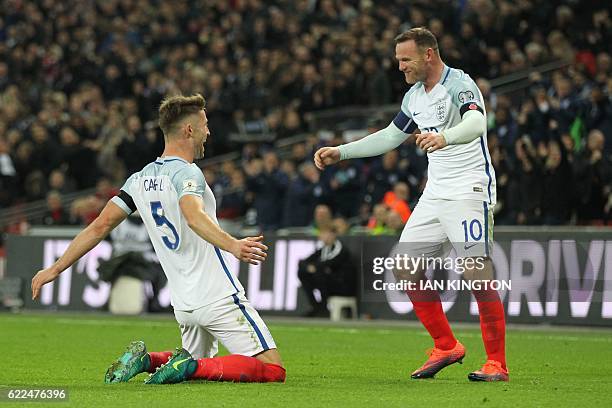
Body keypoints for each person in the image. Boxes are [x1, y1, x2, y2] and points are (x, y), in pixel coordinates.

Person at [31, 94, 285, 385]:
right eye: (204, 124)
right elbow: (193, 215)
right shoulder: (188, 173)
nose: (209, 132)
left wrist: (54, 269)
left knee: (201, 364)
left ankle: (148, 360)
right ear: (189, 130)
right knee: (272, 370)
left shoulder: (139, 179)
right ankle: (185, 367)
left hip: (184, 302)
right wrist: (234, 245)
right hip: (216, 294)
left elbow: (99, 226)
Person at [314, 28, 507, 382]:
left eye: (406, 60)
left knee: (477, 273)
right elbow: (391, 136)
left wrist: (444, 137)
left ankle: (497, 363)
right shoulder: (414, 96)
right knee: (404, 266)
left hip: (469, 189)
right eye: (399, 60)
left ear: (428, 55)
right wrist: (342, 151)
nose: (400, 66)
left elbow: (477, 122)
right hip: (436, 192)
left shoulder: (459, 84)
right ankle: (446, 345)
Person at [297, 225, 356, 317]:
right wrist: (310, 267)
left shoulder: (340, 249)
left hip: (342, 286)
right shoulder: (324, 249)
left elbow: (329, 263)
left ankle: (324, 308)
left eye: (324, 233)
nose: (321, 236)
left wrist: (315, 267)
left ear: (332, 235)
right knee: (302, 273)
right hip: (329, 282)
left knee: (319, 273)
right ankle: (316, 306)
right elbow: (303, 262)